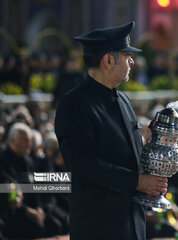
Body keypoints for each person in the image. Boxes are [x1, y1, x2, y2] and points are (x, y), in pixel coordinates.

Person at [54, 21, 168, 240]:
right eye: (127, 55)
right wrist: (137, 181)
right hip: (99, 225)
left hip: (132, 222)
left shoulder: (123, 99)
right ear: (108, 60)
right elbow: (83, 165)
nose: (132, 62)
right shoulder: (75, 104)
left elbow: (129, 152)